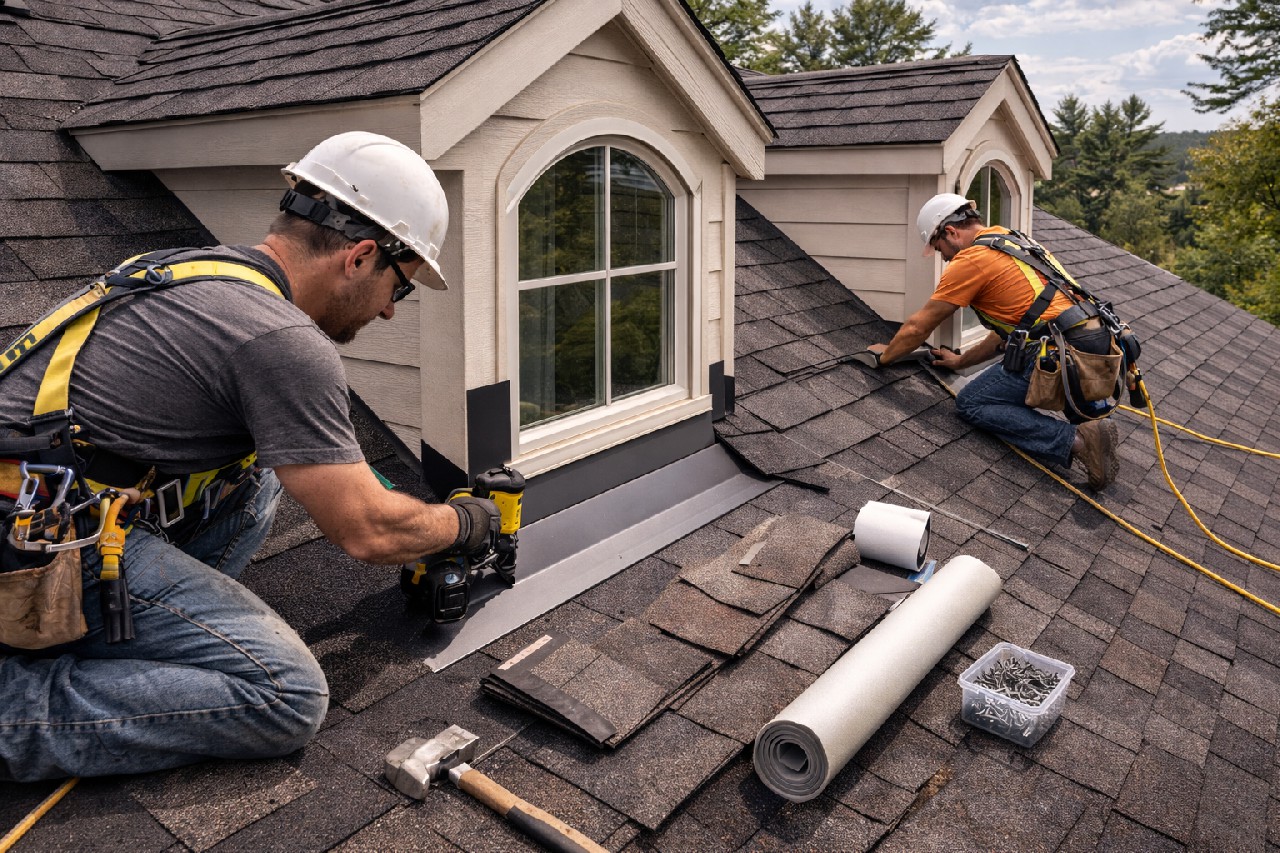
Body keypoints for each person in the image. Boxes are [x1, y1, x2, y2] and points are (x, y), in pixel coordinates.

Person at [0, 131, 499, 781]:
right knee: (288, 696)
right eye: (398, 289)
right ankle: (20, 711)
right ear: (361, 256)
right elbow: (369, 529)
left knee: (257, 478)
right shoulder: (282, 339)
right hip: (37, 543)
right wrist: (469, 522)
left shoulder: (199, 271)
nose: (389, 314)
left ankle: (125, 635)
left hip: (46, 500)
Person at [868, 193, 1119, 490]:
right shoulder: (1015, 242)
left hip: (1058, 353)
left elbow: (918, 327)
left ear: (950, 232)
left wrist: (886, 357)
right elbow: (1013, 332)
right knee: (1041, 367)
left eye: (940, 249)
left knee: (972, 403)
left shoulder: (971, 260)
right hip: (1095, 343)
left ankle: (1078, 441)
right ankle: (1092, 421)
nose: (944, 257)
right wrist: (961, 362)